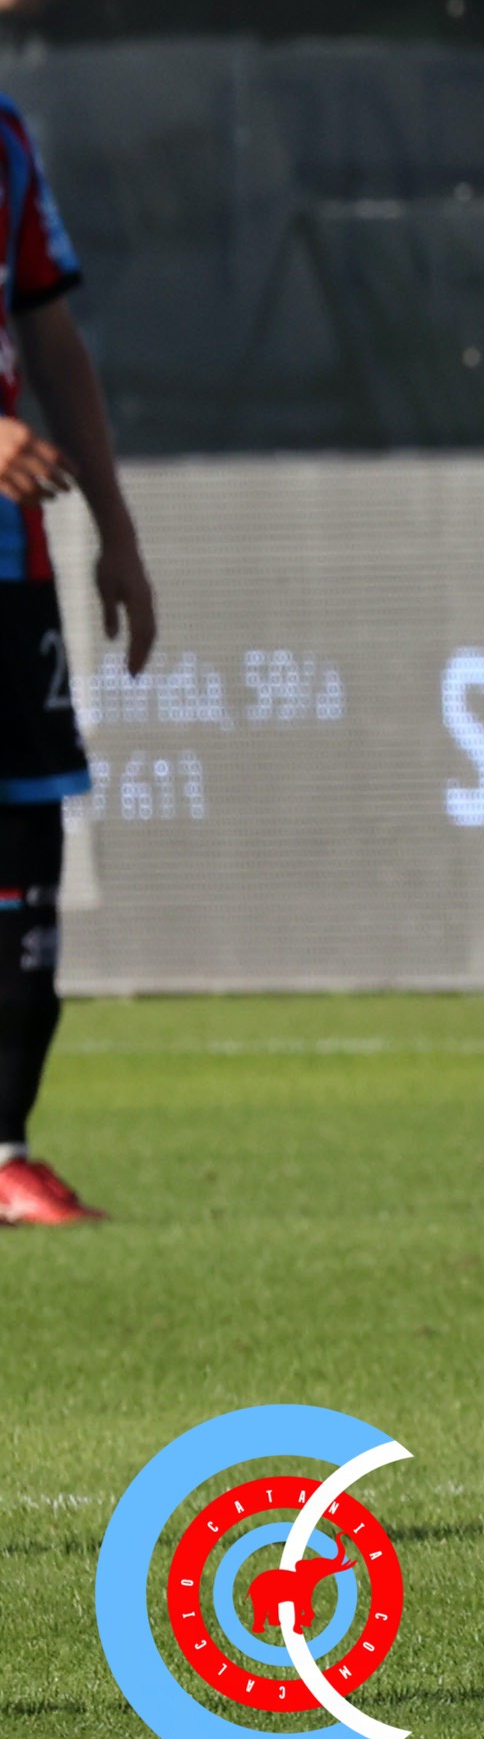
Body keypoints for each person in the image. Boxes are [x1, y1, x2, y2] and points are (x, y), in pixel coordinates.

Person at [0, 93, 156, 1225]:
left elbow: (52, 340)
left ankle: (5, 1153)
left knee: (25, 858)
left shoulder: (6, 138)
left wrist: (119, 536)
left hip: (14, 571)